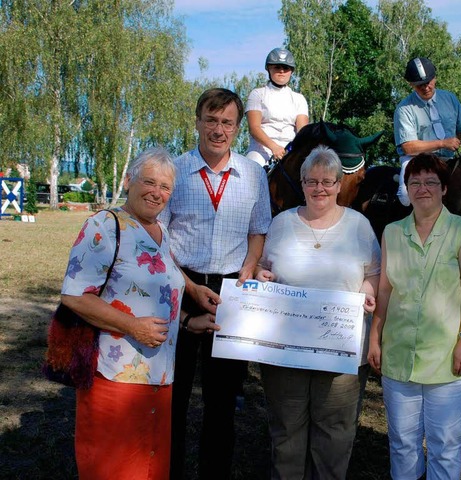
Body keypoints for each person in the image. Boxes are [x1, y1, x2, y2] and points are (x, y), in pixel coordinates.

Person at [60, 147, 220, 480]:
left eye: (165, 187)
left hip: (160, 378)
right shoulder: (105, 225)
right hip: (115, 379)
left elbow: (159, 293)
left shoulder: (159, 233)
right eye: (149, 181)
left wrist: (189, 319)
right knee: (113, 468)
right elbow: (75, 296)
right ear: (129, 180)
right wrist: (133, 326)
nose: (157, 192)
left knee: (148, 469)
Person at [159, 88, 272, 480]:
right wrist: (189, 289)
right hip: (180, 288)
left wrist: (248, 267)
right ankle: (168, 470)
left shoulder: (254, 175)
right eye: (211, 120)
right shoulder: (173, 173)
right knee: (171, 395)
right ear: (196, 122)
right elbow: (158, 239)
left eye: (227, 122)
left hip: (230, 294)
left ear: (239, 128)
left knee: (222, 402)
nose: (218, 130)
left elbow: (259, 231)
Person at [255, 145, 381, 479]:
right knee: (287, 432)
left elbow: (374, 273)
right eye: (312, 181)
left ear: (340, 184)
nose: (319, 188)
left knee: (335, 434)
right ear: (302, 183)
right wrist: (261, 276)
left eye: (327, 181)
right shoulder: (281, 224)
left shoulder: (359, 226)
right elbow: (263, 268)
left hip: (341, 351)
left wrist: (368, 292)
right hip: (285, 351)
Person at [368, 153, 461, 480]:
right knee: (402, 442)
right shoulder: (392, 232)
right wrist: (375, 337)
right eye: (415, 182)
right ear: (406, 188)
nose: (422, 188)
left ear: (444, 188)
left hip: (446, 358)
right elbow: (385, 290)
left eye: (430, 181)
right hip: (399, 355)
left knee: (444, 445)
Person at [394, 56, 461, 207]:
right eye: (420, 85)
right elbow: (408, 147)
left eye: (428, 83)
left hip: (449, 160)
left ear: (435, 78)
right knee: (405, 197)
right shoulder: (404, 108)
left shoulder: (450, 99)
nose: (426, 87)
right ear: (411, 85)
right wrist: (442, 143)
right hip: (416, 160)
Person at [245, 47, 309, 167]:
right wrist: (274, 147)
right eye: (277, 67)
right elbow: (254, 128)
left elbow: (302, 132)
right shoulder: (257, 94)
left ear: (291, 71)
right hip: (262, 150)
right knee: (252, 169)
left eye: (285, 68)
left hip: (290, 150)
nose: (281, 71)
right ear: (269, 68)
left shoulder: (299, 99)